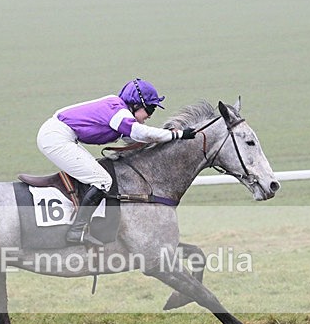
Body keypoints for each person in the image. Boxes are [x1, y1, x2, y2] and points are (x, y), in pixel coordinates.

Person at [37, 78, 196, 246]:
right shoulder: (119, 113)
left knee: (96, 175)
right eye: (149, 108)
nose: (149, 115)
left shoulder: (118, 109)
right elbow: (141, 134)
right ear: (135, 104)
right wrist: (177, 134)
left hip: (59, 135)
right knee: (102, 181)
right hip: (56, 138)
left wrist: (166, 136)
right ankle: (76, 231)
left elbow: (136, 137)